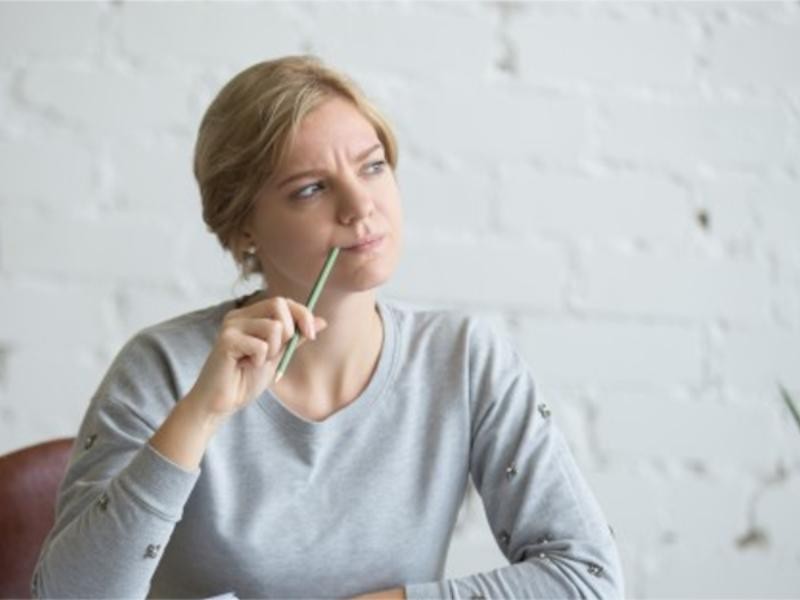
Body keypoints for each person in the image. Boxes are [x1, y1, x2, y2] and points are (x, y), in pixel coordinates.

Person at [32, 55, 624, 599]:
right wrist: (201, 414)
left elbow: (587, 579)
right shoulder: (162, 367)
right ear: (242, 229)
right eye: (311, 189)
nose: (360, 206)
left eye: (373, 167)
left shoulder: (465, 356)